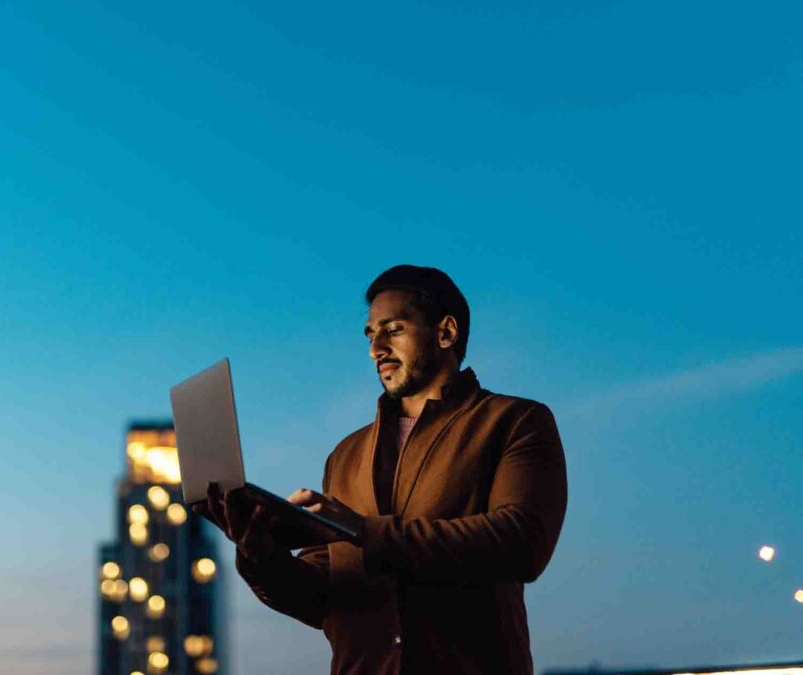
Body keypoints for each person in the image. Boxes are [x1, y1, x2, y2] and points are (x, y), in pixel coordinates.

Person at [191, 265, 568, 675]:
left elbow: (522, 543)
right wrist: (259, 552)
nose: (376, 349)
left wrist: (362, 531)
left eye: (393, 329)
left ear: (446, 333)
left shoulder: (515, 421)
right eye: (371, 334)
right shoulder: (345, 455)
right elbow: (322, 600)